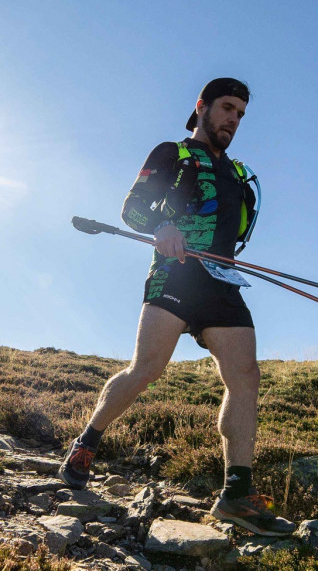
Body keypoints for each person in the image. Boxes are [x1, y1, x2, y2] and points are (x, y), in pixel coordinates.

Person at [58, 78, 294, 536]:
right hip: (174, 274)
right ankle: (87, 442)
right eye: (227, 108)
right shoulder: (172, 154)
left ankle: (236, 495)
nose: (234, 120)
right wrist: (164, 224)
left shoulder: (238, 172)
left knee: (245, 377)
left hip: (221, 284)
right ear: (202, 107)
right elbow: (133, 209)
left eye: (241, 114)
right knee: (146, 367)